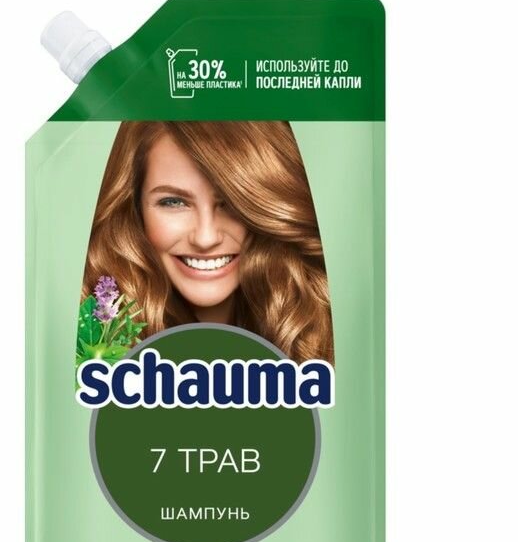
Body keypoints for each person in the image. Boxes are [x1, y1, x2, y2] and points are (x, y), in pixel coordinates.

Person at [82, 121, 334, 364]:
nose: (206, 238)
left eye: (230, 203)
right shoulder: (92, 341)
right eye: (173, 202)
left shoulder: (333, 329)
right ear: (136, 210)